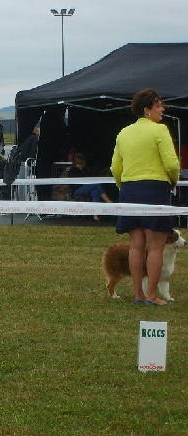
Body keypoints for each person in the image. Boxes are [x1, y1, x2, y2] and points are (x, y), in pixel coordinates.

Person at [110, 88, 180, 306]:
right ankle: (151, 295)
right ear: (147, 110)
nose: (163, 109)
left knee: (136, 245)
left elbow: (115, 168)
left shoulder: (123, 133)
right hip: (154, 189)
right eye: (159, 105)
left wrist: (125, 186)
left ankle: (138, 295)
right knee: (156, 246)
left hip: (129, 189)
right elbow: (171, 163)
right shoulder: (160, 131)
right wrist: (174, 179)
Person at [68, 152, 113, 221]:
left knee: (95, 192)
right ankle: (107, 200)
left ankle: (95, 215)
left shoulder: (85, 171)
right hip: (77, 190)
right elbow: (74, 184)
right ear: (82, 162)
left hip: (86, 188)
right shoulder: (72, 171)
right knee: (97, 183)